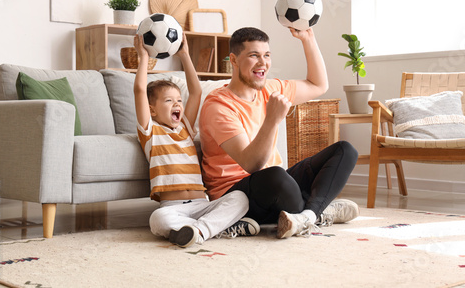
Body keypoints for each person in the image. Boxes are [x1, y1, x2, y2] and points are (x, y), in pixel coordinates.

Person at [199, 27, 360, 239]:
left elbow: (318, 85)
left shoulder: (270, 88)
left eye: (266, 55)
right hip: (235, 195)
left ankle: (308, 215)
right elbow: (251, 164)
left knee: (345, 150)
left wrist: (308, 38)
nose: (262, 62)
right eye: (254, 55)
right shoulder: (218, 106)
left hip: (274, 185)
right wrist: (272, 119)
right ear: (234, 60)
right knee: (276, 177)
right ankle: (320, 208)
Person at [133, 33, 259, 248]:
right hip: (174, 207)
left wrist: (184, 55)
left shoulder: (185, 128)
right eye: (169, 101)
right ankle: (214, 228)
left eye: (179, 101)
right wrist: (143, 57)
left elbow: (196, 91)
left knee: (240, 198)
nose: (177, 105)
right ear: (152, 110)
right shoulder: (150, 132)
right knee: (157, 220)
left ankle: (198, 230)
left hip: (203, 203)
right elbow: (139, 90)